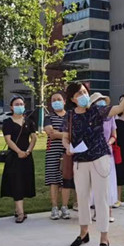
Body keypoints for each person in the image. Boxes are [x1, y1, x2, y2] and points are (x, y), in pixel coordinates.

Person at [63, 81, 124, 246]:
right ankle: (84, 233)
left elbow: (119, 108)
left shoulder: (97, 110)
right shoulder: (70, 116)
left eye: (84, 92)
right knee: (82, 198)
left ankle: (104, 238)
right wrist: (67, 147)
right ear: (72, 99)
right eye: (79, 94)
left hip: (99, 158)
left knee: (101, 198)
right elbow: (66, 137)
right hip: (80, 161)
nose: (83, 95)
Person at [1, 96, 37, 223]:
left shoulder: (29, 121)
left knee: (24, 182)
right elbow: (8, 140)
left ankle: (18, 209)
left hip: (27, 156)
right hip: (14, 156)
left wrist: (28, 151)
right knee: (16, 183)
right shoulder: (7, 122)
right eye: (16, 104)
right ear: (11, 107)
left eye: (21, 104)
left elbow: (34, 137)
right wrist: (19, 152)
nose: (19, 106)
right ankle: (21, 213)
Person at [89, 93, 117, 224]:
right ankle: (97, 210)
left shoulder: (110, 117)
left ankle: (109, 210)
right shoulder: (90, 118)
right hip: (94, 154)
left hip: (107, 153)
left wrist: (109, 142)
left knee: (109, 181)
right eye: (98, 101)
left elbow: (114, 135)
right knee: (96, 182)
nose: (101, 104)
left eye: (102, 101)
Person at [44, 92, 71, 220]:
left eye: (59, 99)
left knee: (66, 179)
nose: (56, 102)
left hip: (67, 151)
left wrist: (59, 133)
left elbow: (74, 133)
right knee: (53, 180)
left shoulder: (70, 116)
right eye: (53, 100)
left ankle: (65, 206)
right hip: (53, 152)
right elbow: (51, 133)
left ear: (64, 101)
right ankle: (54, 207)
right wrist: (66, 134)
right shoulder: (48, 117)